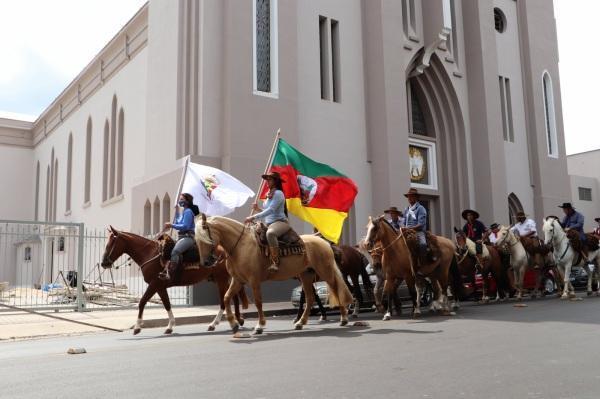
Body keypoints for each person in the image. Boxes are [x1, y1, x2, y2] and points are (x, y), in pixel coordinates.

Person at [245, 171, 289, 273]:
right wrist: (257, 209)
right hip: (268, 223)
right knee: (251, 233)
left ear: (276, 181)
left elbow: (271, 210)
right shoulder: (268, 194)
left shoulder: (279, 193)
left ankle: (275, 262)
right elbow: (267, 211)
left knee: (271, 234)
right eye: (267, 179)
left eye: (270, 179)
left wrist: (253, 217)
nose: (267, 182)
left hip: (280, 222)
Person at [159, 193, 204, 283]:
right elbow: (179, 221)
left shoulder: (188, 211)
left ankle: (171, 274)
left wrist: (171, 225)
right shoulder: (185, 211)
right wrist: (177, 211)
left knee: (175, 251)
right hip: (181, 237)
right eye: (180, 199)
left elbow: (185, 226)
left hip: (188, 237)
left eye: (182, 199)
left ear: (187, 201)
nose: (180, 201)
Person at [402, 188, 434, 263]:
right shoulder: (406, 209)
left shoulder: (421, 208)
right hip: (406, 232)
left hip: (418, 232)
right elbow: (404, 222)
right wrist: (403, 228)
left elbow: (420, 224)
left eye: (412, 196)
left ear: (416, 198)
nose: (409, 198)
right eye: (408, 196)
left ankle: (423, 262)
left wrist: (409, 229)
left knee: (423, 244)